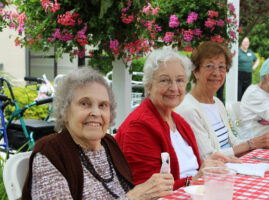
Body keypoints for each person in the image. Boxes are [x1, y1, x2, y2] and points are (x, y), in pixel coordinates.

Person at [22, 67, 174, 200]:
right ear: (65, 110)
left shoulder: (109, 144)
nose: (96, 112)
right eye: (85, 103)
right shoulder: (51, 153)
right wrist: (134, 197)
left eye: (103, 105)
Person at [116, 49, 232, 191]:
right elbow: (145, 191)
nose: (174, 88)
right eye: (165, 80)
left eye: (179, 80)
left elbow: (195, 170)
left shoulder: (179, 122)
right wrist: (196, 179)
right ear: (149, 86)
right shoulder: (139, 126)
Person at [175, 41, 269, 160]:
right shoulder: (188, 109)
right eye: (209, 66)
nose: (216, 73)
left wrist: (264, 140)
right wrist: (252, 143)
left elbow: (232, 142)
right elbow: (207, 157)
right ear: (195, 71)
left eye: (221, 67)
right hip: (213, 174)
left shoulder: (217, 103)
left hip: (230, 166)